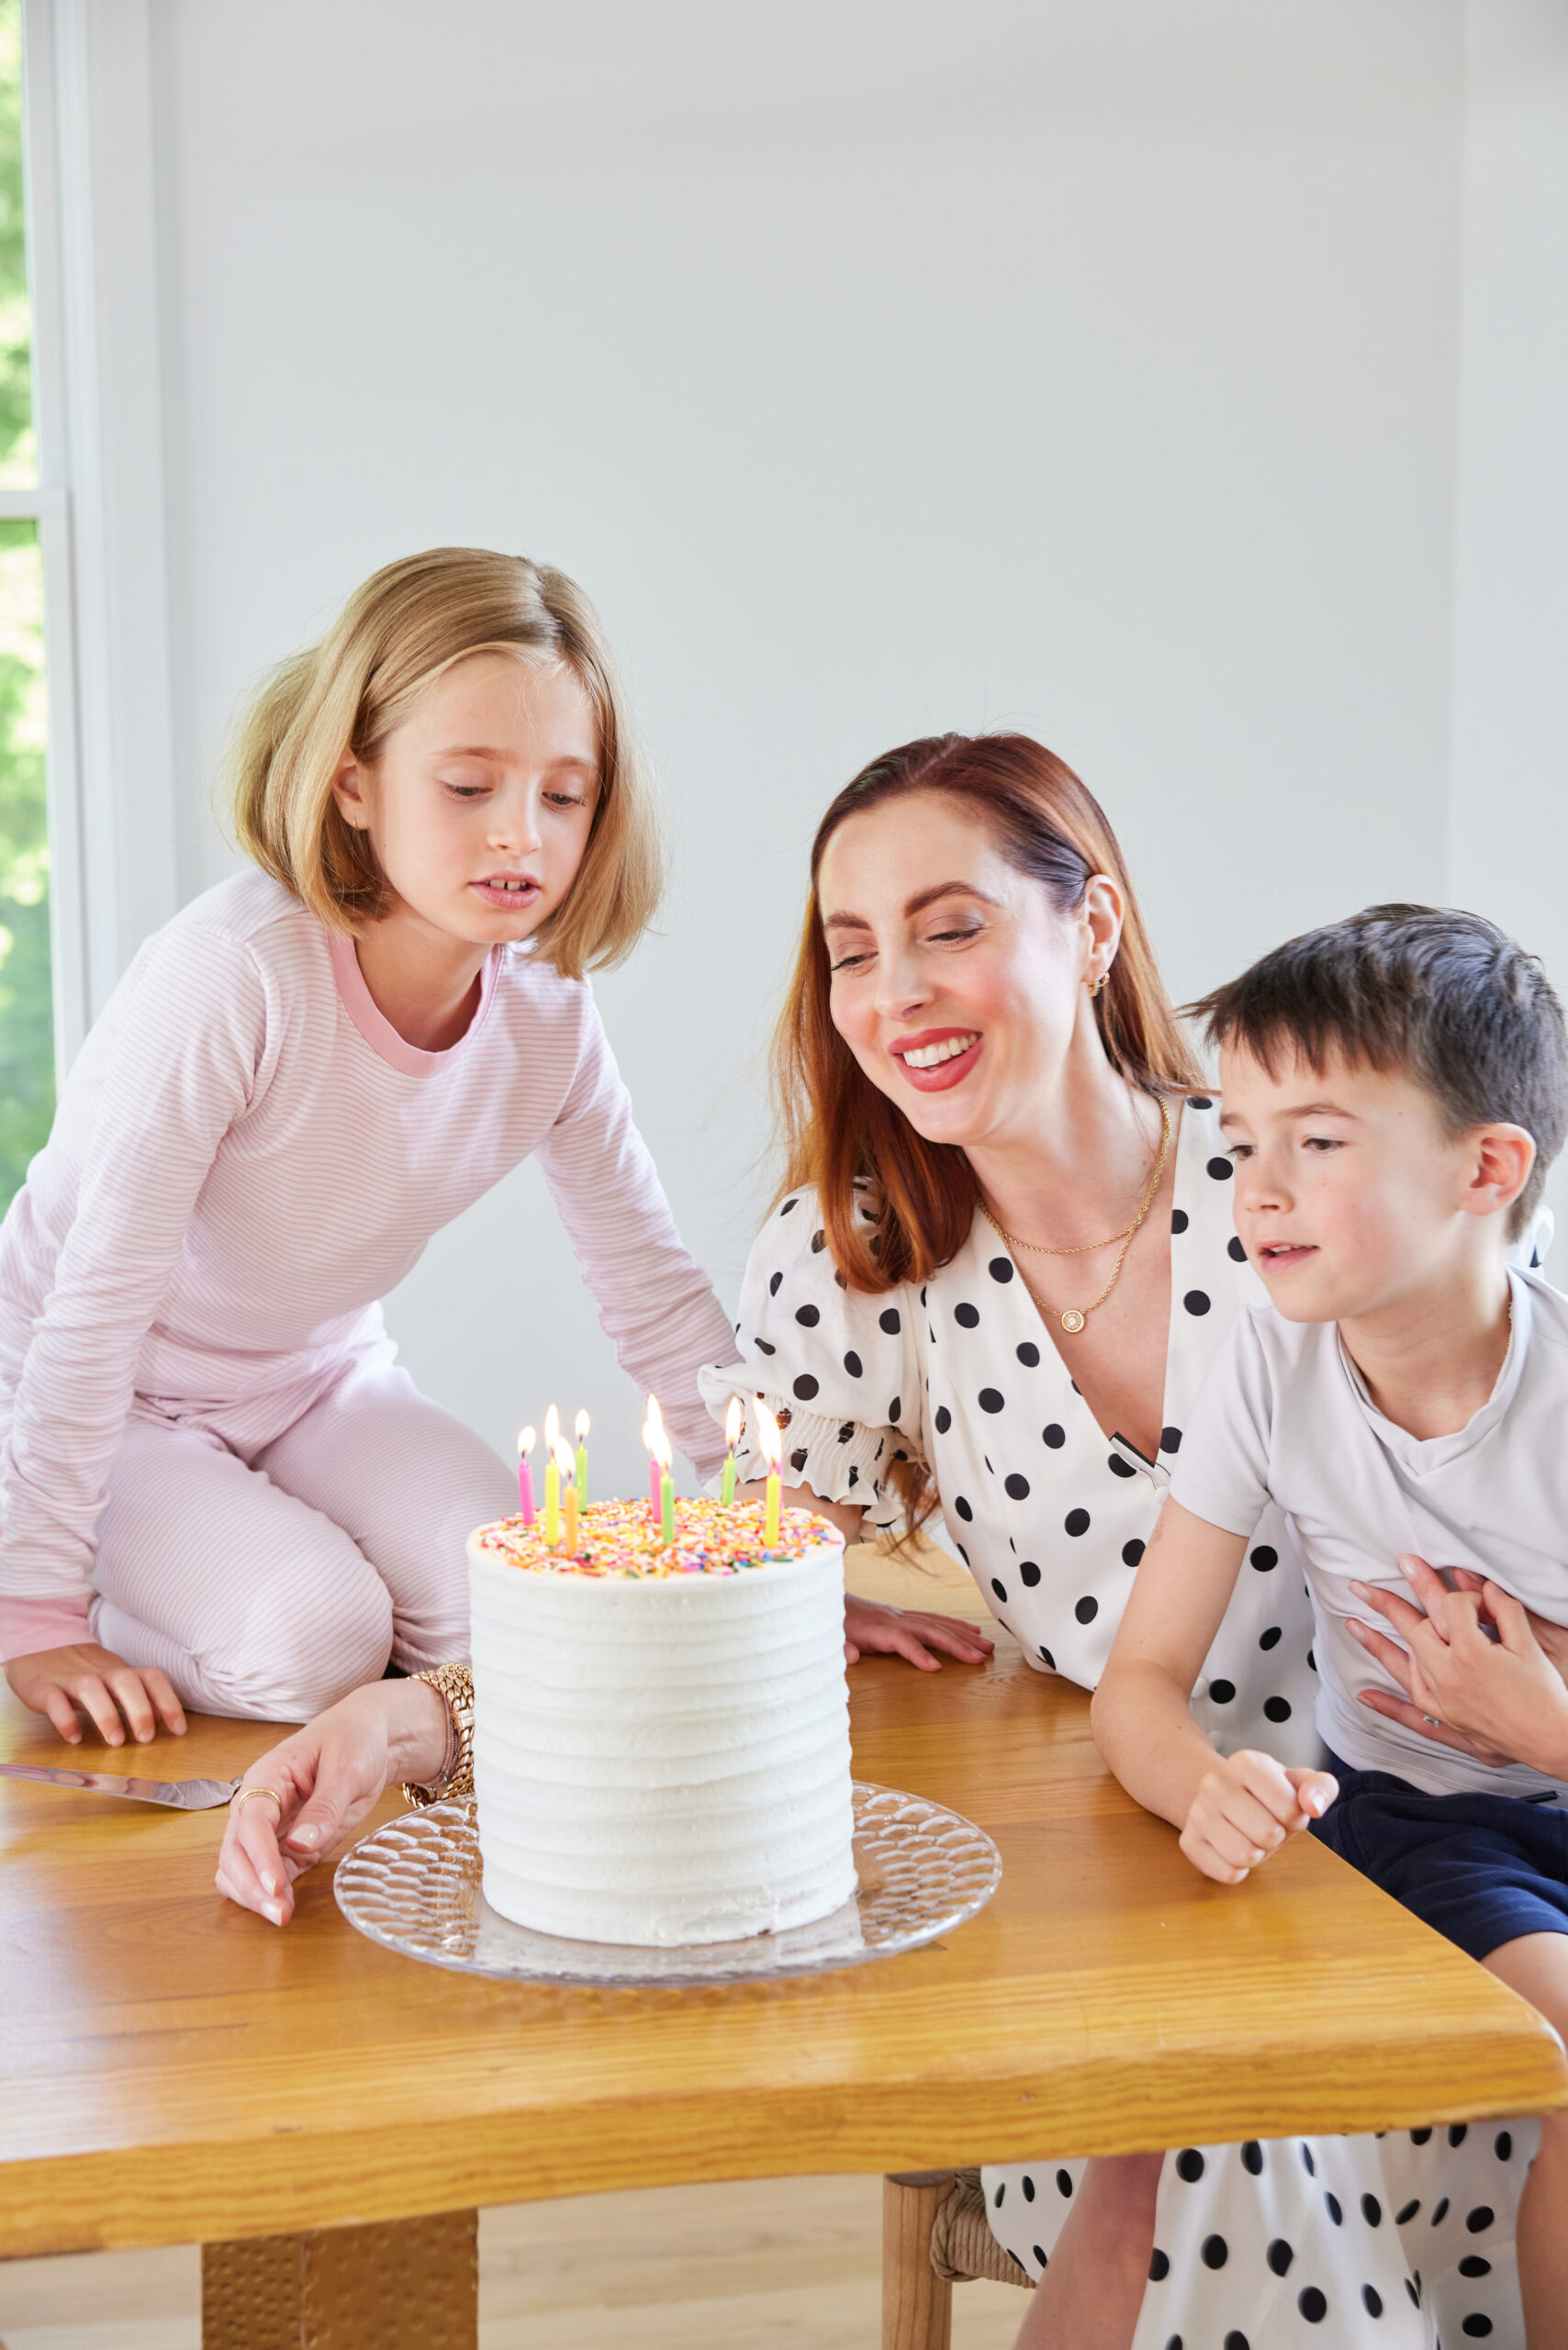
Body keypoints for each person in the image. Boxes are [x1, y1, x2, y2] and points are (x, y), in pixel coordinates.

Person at [701, 740, 1534, 2346]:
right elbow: (724, 1581)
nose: (896, 994)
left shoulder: (1302, 1171)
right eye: (852, 949)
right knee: (1214, 2125)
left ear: (1092, 930)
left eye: (950, 927)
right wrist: (811, 1594)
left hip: (1431, 1840)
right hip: (1116, 1894)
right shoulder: (851, 1252)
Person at [0, 547, 744, 1744]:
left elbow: (647, 1281)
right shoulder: (235, 976)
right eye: (467, 787)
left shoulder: (547, 1008)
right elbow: (96, 1296)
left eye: (563, 795)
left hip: (316, 1379)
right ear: (355, 784)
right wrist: (34, 1608)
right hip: (103, 1392)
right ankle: (130, 1587)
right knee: (317, 1641)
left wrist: (773, 1532)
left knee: (523, 1605)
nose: (523, 837)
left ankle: (268, 1556)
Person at [1095, 904, 1568, 2349]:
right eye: (1243, 1146)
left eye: (1320, 1141)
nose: (1260, 1192)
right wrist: (1207, 1785)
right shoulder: (1264, 1358)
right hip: (1432, 1823)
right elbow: (1143, 1683)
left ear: (1488, 1168)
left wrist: (1539, 1718)